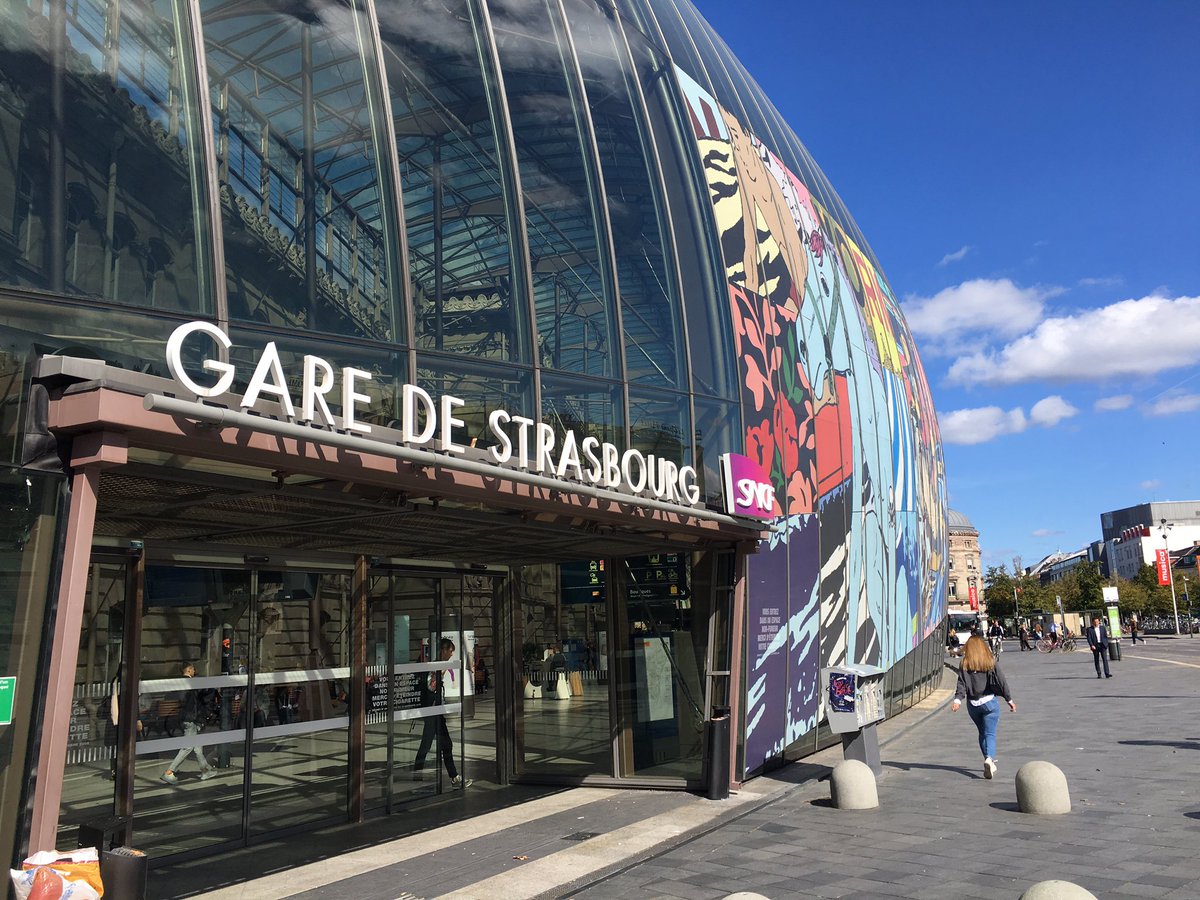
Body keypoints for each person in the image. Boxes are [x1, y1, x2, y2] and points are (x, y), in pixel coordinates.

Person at [951, 635, 1016, 779]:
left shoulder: (964, 663)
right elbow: (1001, 681)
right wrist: (1009, 699)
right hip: (989, 702)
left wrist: (958, 700)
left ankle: (987, 758)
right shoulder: (990, 662)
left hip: (973, 704)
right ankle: (989, 759)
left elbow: (961, 683)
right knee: (990, 734)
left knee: (982, 733)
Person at [413, 637, 469, 787]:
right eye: (450, 651)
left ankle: (454, 776)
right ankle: (417, 773)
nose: (451, 655)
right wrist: (441, 672)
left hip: (437, 711)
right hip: (432, 711)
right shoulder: (435, 665)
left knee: (446, 744)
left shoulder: (440, 665)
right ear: (443, 650)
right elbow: (431, 687)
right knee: (427, 744)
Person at [161, 663, 217, 785]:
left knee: (197, 747)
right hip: (190, 718)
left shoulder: (179, 683)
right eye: (193, 669)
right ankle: (169, 772)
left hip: (182, 717)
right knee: (188, 747)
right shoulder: (190, 684)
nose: (195, 671)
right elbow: (193, 703)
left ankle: (205, 770)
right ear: (189, 670)